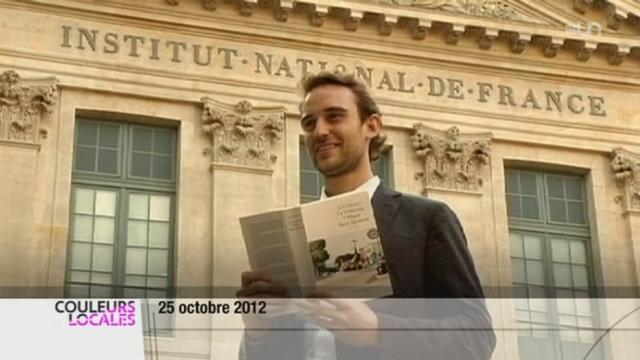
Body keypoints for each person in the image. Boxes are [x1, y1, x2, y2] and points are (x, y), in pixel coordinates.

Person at [236, 71, 496, 359]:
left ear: (371, 126)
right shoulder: (289, 240)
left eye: (335, 116)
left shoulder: (426, 219)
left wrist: (378, 330)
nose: (320, 131)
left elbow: (476, 336)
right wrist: (257, 332)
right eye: (310, 123)